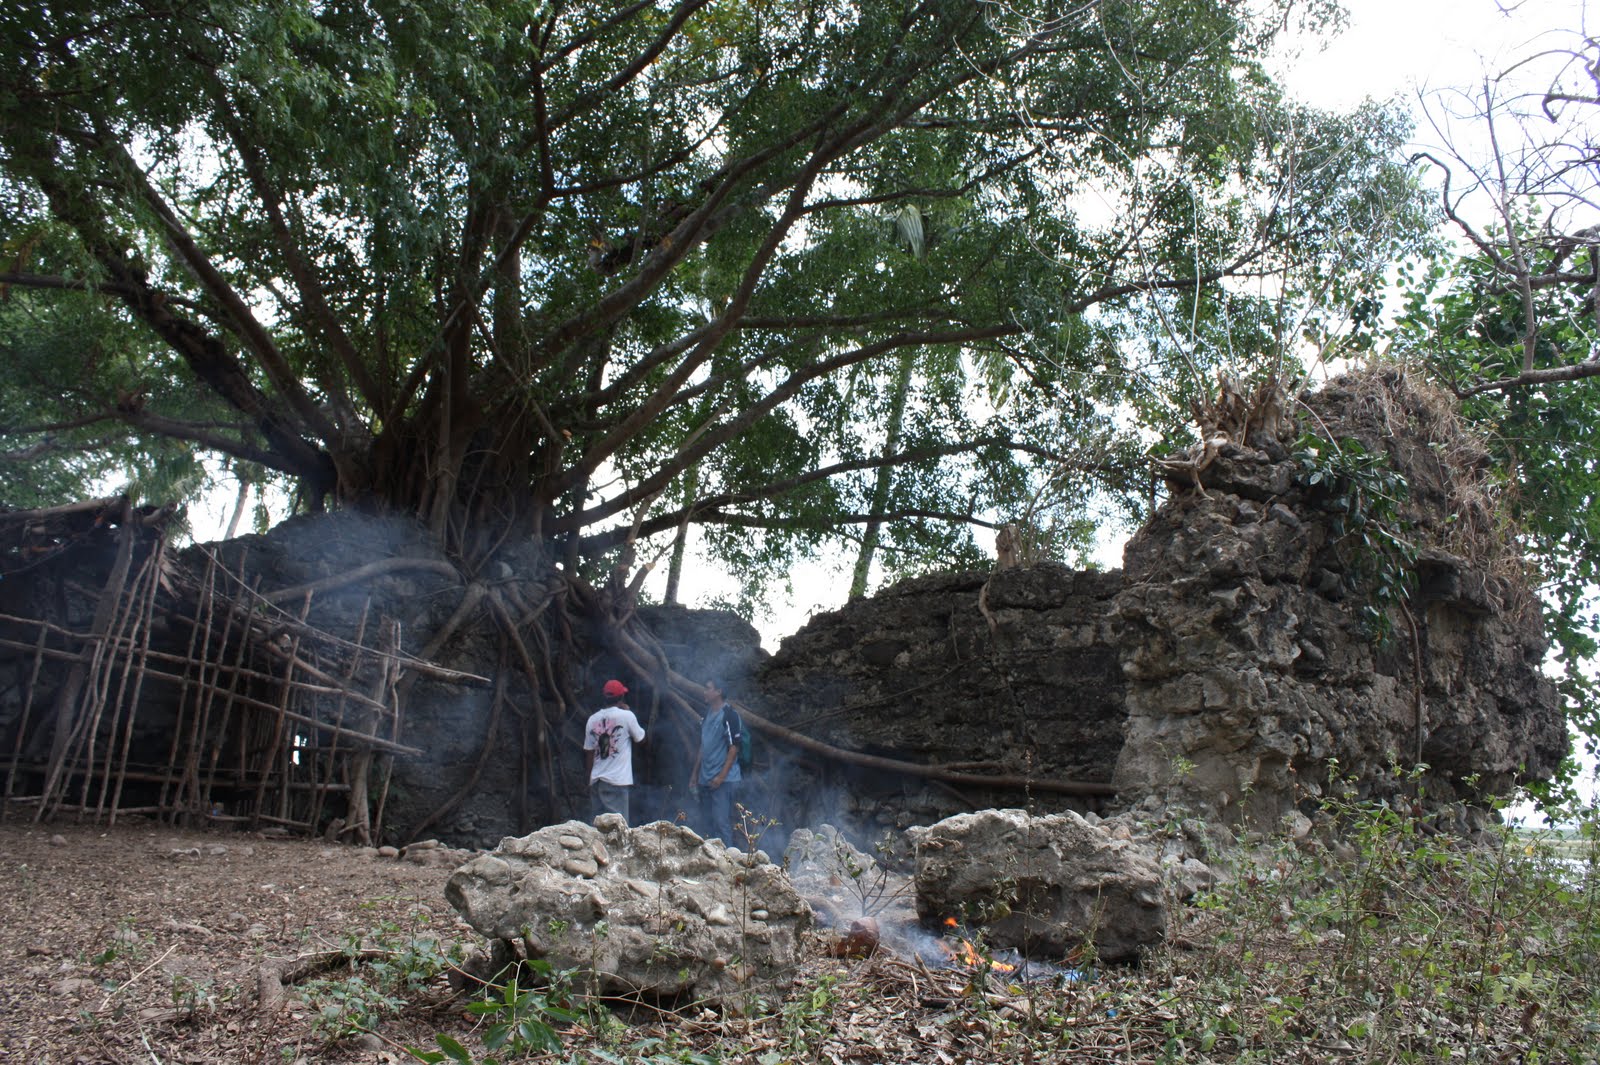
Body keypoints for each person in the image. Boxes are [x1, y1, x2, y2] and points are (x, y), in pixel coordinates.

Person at [583, 679, 645, 825]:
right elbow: (641, 740)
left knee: (598, 829)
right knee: (618, 831)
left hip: (597, 781)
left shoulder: (592, 720)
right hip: (617, 782)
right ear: (621, 698)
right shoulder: (626, 716)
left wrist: (589, 781)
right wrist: (629, 712)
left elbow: (589, 753)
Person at [695, 679, 743, 847]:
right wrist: (695, 775)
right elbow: (703, 745)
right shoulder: (706, 714)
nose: (704, 692)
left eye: (708, 688)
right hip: (705, 778)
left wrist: (721, 777)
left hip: (724, 780)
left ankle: (728, 863)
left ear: (719, 692)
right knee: (707, 823)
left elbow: (734, 747)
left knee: (721, 824)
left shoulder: (729, 715)